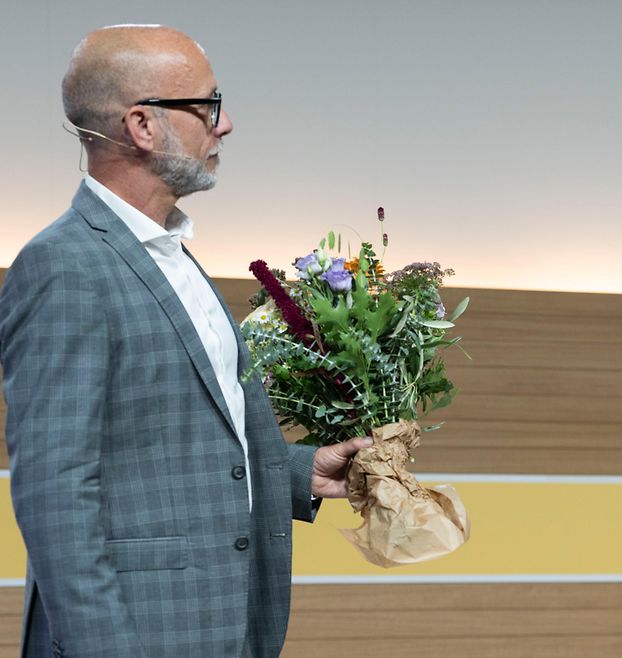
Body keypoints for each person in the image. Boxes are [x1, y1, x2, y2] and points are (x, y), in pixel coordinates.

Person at [0, 25, 370, 657]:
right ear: (142, 126)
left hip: (221, 622)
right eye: (208, 106)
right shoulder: (64, 265)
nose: (223, 126)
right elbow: (55, 492)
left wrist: (298, 472)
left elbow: (164, 446)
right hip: (137, 636)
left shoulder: (171, 253)